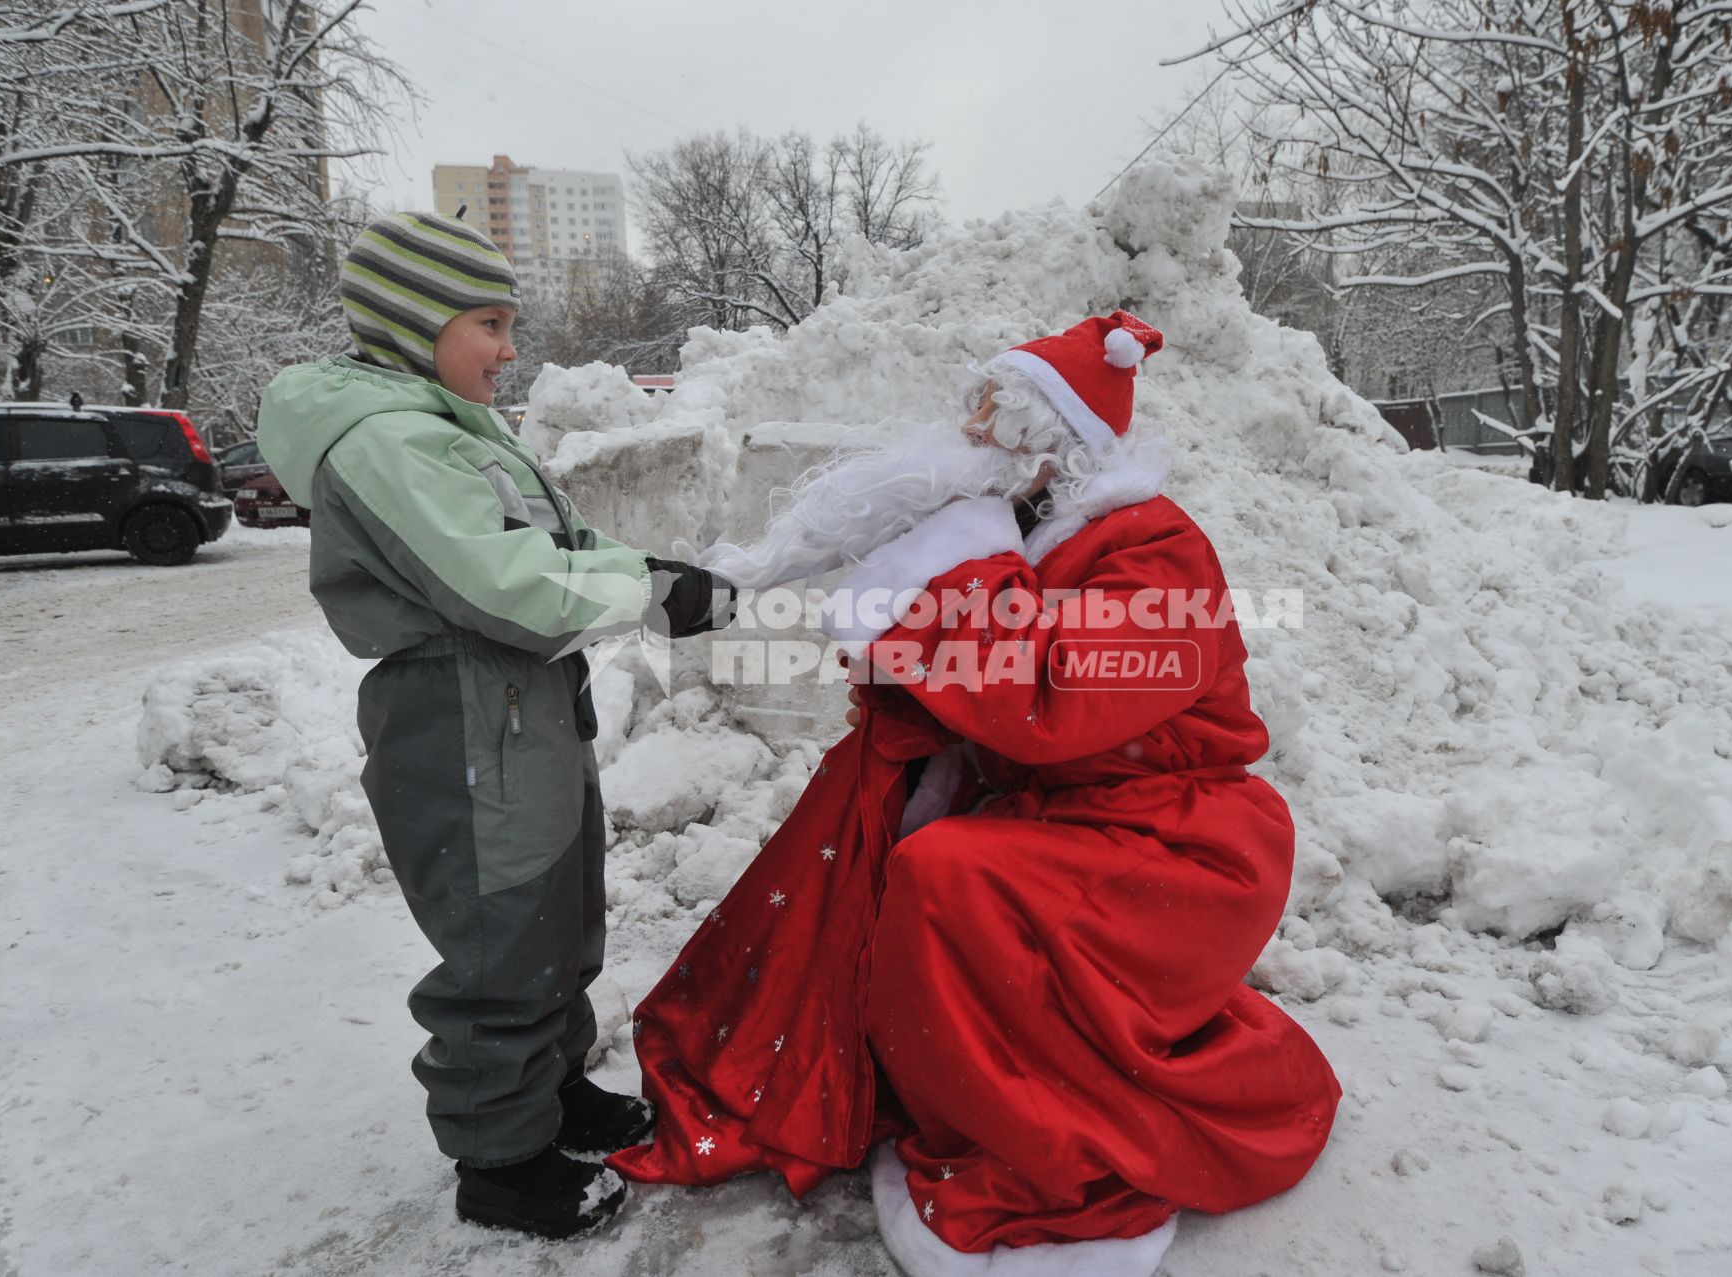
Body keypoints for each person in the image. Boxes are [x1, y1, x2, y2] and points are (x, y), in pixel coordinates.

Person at [610, 312, 1340, 1276]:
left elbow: (1054, 698)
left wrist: (958, 567)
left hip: (1181, 843)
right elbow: (973, 690)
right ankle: (906, 1065)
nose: (969, 428)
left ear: (1052, 446)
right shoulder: (1029, 533)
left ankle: (1033, 1128)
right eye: (973, 405)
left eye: (993, 412)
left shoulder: (1159, 552)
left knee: (951, 875)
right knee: (863, 826)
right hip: (1074, 819)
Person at [256, 211, 734, 1239]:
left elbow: (556, 539)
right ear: (410, 322)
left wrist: (659, 573)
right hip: (461, 709)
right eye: (488, 321)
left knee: (559, 913)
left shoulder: (450, 432)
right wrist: (647, 594)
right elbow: (497, 582)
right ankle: (500, 1155)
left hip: (523, 705)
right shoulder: (384, 440)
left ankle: (548, 1091)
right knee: (500, 935)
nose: (509, 347)